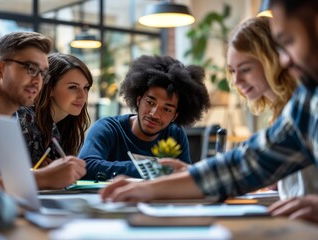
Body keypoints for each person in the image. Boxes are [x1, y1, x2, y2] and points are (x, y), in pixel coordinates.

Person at [100, 0, 318, 224]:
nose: (285, 60)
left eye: (289, 42)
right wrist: (150, 188)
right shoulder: (306, 101)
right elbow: (244, 165)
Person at [0, 32, 86, 190]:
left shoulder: (12, 120)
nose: (38, 81)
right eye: (31, 69)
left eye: (43, 73)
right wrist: (43, 177)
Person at [226, 16, 318, 200]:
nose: (236, 80)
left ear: (272, 61)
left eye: (245, 69)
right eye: (232, 70)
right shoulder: (282, 114)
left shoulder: (306, 109)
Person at [79, 55, 210, 180]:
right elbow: (86, 166)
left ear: (175, 115)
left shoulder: (175, 134)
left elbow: (184, 176)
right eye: (150, 102)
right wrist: (150, 168)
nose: (154, 114)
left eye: (166, 109)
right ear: (138, 100)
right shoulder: (108, 128)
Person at [18, 53, 92, 167]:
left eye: (86, 88)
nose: (83, 96)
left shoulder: (67, 125)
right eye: (73, 87)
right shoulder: (24, 118)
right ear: (49, 88)